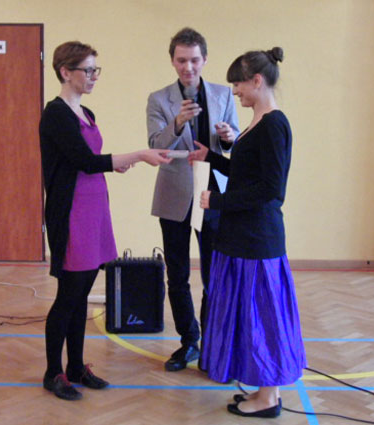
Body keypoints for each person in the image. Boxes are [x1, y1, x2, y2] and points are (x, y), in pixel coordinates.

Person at [39, 41, 171, 401]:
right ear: (65, 72)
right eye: (88, 70)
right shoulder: (56, 114)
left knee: (82, 292)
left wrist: (118, 162)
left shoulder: (86, 112)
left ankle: (75, 367)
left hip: (94, 209)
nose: (94, 76)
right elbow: (84, 160)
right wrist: (138, 155)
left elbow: (91, 159)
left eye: (96, 70)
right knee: (69, 294)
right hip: (72, 213)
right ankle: (53, 372)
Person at [189, 47, 306, 418]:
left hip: (258, 241)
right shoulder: (258, 121)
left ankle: (268, 397)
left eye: (238, 84)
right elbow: (247, 175)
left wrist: (218, 201)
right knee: (251, 318)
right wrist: (211, 157)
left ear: (257, 80)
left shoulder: (273, 124)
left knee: (262, 320)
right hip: (243, 238)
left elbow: (271, 190)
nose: (235, 91)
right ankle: (263, 390)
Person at [146, 27, 239, 372]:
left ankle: (213, 342)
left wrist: (228, 137)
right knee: (178, 274)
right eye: (182, 60)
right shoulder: (159, 99)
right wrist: (176, 122)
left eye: (194, 60)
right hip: (174, 193)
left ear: (205, 60)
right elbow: (156, 145)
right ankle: (189, 341)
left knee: (214, 275)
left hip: (213, 194)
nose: (188, 67)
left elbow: (233, 143)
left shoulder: (223, 94)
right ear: (172, 61)